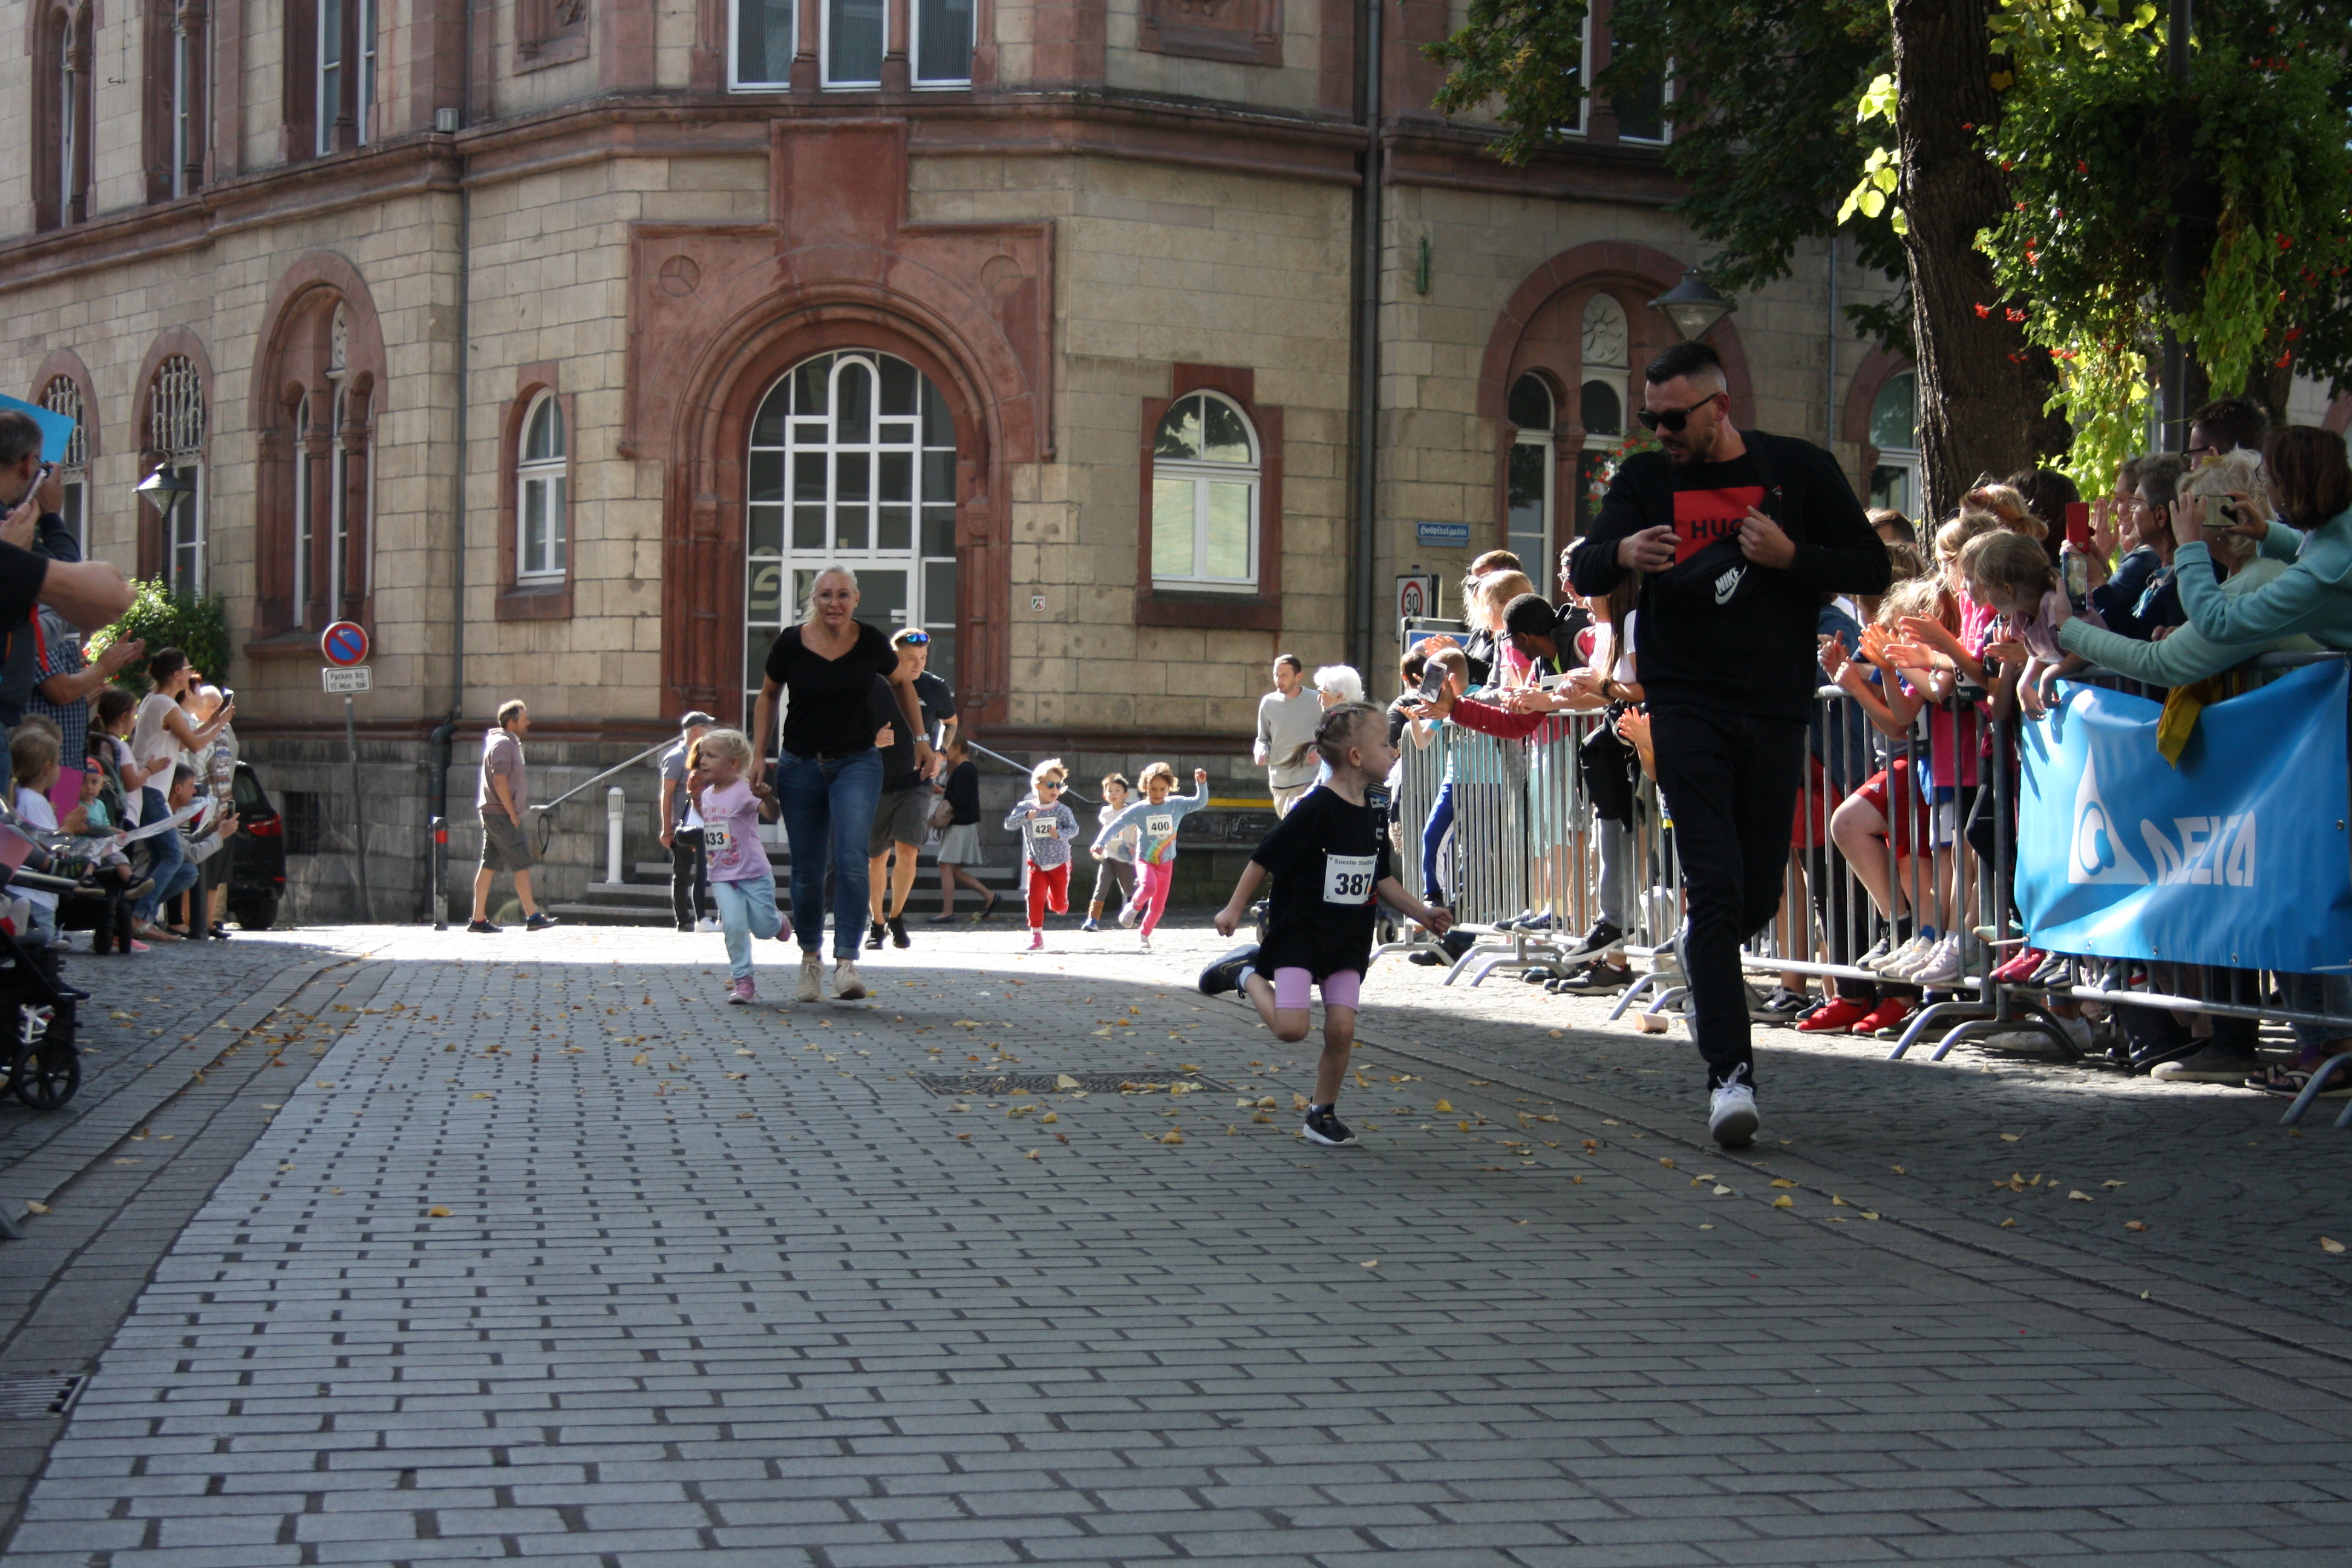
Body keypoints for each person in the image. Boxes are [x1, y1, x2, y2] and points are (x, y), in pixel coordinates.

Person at [1567, 338, 1890, 1147]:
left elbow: (1872, 565)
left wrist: (1792, 557)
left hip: (1775, 706)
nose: (1662, 432)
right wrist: (1624, 552)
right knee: (1713, 890)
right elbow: (1586, 566)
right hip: (1685, 705)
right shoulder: (1646, 479)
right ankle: (1731, 1077)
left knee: (1755, 897)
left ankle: (1702, 951)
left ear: (1720, 407)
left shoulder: (1797, 470)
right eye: (1652, 417)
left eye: (1675, 418)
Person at [1198, 702, 1456, 1148]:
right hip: (1301, 932)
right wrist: (1233, 909)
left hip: (1349, 937)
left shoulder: (1375, 808)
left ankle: (1321, 1113)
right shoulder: (1315, 807)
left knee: (1341, 1029)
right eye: (1385, 744)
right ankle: (1245, 972)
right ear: (1356, 756)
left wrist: (1422, 913)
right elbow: (1264, 857)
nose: (1393, 751)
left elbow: (1380, 877)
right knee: (1291, 1029)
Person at [748, 567, 936, 1004]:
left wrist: (922, 740)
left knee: (852, 859)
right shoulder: (791, 643)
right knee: (808, 868)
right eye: (826, 595)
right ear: (814, 599)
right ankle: (810, 960)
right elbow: (769, 695)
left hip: (857, 762)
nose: (835, 603)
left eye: (843, 595)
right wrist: (759, 755)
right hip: (800, 765)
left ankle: (847, 962)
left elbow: (902, 684)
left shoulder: (870, 641)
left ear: (856, 599)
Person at [2168, 426, 2352, 653]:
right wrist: (2268, 533)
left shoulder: (2318, 580)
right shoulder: (2342, 530)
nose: (2263, 484)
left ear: (2287, 488)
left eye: (2266, 475)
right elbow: (2329, 552)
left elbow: (2219, 624)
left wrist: (2189, 548)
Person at [127, 649, 232, 943]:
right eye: (187, 669)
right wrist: (220, 722)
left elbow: (187, 743)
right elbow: (196, 745)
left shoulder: (156, 701)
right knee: (172, 855)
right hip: (150, 791)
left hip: (152, 791)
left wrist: (216, 720)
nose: (190, 674)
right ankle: (140, 918)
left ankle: (136, 913)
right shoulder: (164, 703)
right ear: (176, 674)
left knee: (184, 871)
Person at [687, 727, 788, 1004]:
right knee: (733, 926)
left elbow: (772, 814)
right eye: (702, 755)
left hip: (753, 873)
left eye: (711, 756)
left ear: (733, 763)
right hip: (722, 875)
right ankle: (743, 980)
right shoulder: (707, 795)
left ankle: (778, 921)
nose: (703, 761)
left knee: (764, 929)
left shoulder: (745, 791)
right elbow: (716, 831)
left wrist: (767, 798)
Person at [25, 612, 140, 816]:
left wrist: (110, 664)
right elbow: (62, 691)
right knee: (47, 828)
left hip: (65, 762)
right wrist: (104, 667)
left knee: (63, 827)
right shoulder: (40, 624)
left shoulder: (57, 623)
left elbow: (65, 690)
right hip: (44, 765)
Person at [1089, 762, 1210, 952]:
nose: (1158, 793)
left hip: (1166, 863)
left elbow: (1199, 802)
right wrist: (1101, 842)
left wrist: (1201, 784)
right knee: (1149, 887)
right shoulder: (1140, 809)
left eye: (1162, 789)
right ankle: (1134, 907)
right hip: (1145, 859)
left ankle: (1144, 934)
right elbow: (1116, 824)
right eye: (1153, 789)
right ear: (1145, 787)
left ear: (1169, 787)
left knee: (1159, 906)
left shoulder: (1176, 805)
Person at [865, 645, 935, 952]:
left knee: (908, 851)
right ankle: (877, 922)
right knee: (876, 858)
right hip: (876, 783)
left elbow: (950, 722)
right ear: (895, 658)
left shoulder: (933, 687)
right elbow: (845, 729)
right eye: (911, 658)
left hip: (915, 783)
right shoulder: (872, 686)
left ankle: (896, 918)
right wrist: (873, 740)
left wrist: (941, 752)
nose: (918, 664)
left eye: (923, 658)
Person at [469, 699, 554, 933]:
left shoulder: (504, 742)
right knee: (521, 864)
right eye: (525, 719)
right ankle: (533, 916)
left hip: (495, 813)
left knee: (489, 865)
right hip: (502, 815)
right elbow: (500, 781)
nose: (529, 723)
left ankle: (478, 919)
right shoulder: (503, 744)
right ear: (511, 722)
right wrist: (512, 813)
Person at [1006, 757, 1081, 952]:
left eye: (1058, 785)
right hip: (1037, 863)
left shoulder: (1062, 810)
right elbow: (1009, 824)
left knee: (1059, 906)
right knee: (1034, 898)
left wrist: (1060, 834)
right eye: (1050, 785)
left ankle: (1059, 901)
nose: (1055, 789)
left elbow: (1074, 829)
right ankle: (1037, 936)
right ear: (1038, 785)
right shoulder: (1026, 807)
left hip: (1059, 862)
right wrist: (1025, 817)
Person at [658, 711, 720, 933]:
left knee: (710, 871)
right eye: (707, 727)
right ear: (695, 730)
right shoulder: (676, 758)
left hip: (708, 825)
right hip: (683, 825)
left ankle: (713, 917)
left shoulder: (710, 757)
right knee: (683, 873)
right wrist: (667, 829)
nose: (711, 730)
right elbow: (667, 794)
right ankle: (684, 920)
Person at [926, 734, 996, 923]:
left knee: (946, 867)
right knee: (953, 869)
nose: (946, 752)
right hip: (960, 824)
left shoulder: (965, 769)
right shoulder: (964, 769)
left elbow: (960, 799)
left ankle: (948, 911)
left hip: (959, 824)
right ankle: (989, 896)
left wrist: (941, 790)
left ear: (958, 748)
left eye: (948, 748)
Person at [1254, 655, 1321, 815]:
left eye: (1284, 675)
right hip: (1279, 780)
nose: (1279, 680)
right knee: (1288, 824)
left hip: (1308, 777)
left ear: (1299, 676)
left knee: (1296, 821)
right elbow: (1263, 738)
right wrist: (1260, 750)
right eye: (1276, 675)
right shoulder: (1268, 703)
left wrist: (1321, 750)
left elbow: (1334, 734)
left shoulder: (1317, 700)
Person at [1083, 772, 1138, 932]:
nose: (1113, 794)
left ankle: (1139, 904)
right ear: (1105, 795)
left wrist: (1138, 847)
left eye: (1117, 790)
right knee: (1101, 886)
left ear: (1126, 794)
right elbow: (1105, 831)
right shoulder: (1105, 813)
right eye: (1110, 791)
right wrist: (1098, 845)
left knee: (1129, 889)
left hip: (1126, 858)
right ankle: (1092, 919)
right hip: (1108, 856)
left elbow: (1138, 830)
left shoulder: (1131, 812)